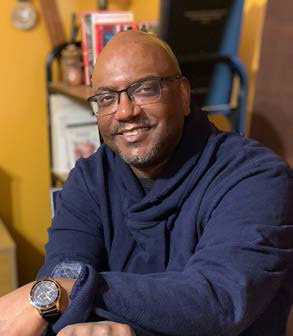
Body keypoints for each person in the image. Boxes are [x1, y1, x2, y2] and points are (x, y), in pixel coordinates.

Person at [0, 30, 293, 336]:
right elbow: (63, 270)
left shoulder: (255, 177)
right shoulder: (89, 179)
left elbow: (217, 301)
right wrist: (66, 293)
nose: (125, 111)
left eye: (145, 89)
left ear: (182, 95)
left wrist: (70, 292)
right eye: (106, 98)